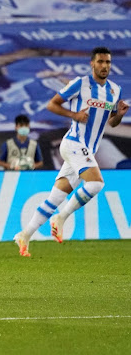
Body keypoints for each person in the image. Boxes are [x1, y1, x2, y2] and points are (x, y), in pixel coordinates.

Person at [14, 47, 128, 257]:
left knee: (55, 197)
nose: (105, 66)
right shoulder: (80, 83)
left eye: (108, 62)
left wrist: (119, 115)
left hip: (87, 150)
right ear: (92, 64)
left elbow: (111, 123)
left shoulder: (114, 90)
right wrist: (73, 115)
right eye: (101, 62)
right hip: (74, 143)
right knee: (96, 183)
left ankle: (25, 235)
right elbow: (52, 104)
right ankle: (62, 218)